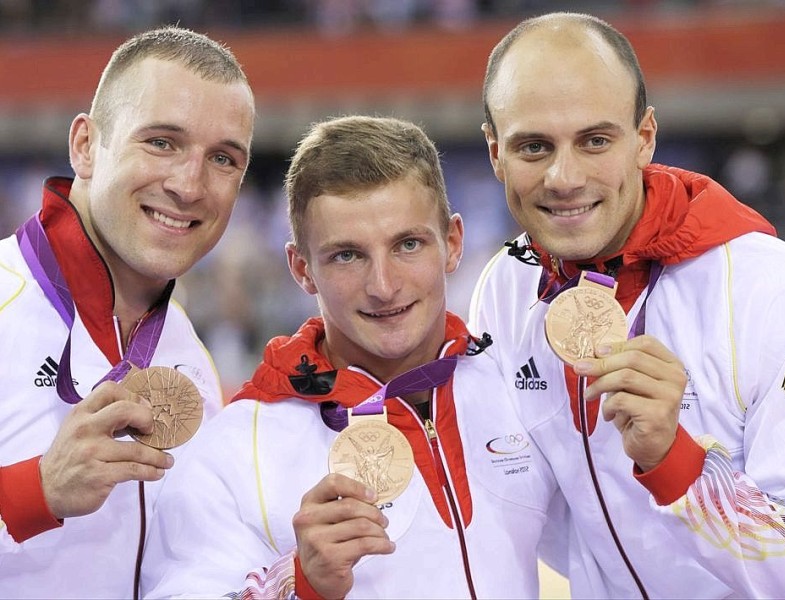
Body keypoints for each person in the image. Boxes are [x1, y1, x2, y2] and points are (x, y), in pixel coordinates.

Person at [141, 115, 555, 599]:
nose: (383, 286)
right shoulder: (236, 452)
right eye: (347, 256)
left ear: (453, 244)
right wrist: (303, 588)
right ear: (302, 269)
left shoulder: (518, 389)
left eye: (408, 244)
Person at [470, 11, 785, 599]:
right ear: (495, 153)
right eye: (533, 147)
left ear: (644, 137)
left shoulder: (773, 289)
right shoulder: (505, 287)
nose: (564, 177)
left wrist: (677, 462)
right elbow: (522, 513)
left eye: (595, 141)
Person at [0, 26, 255, 598]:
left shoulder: (188, 356)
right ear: (86, 146)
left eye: (222, 158)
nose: (190, 185)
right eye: (162, 142)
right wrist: (35, 491)